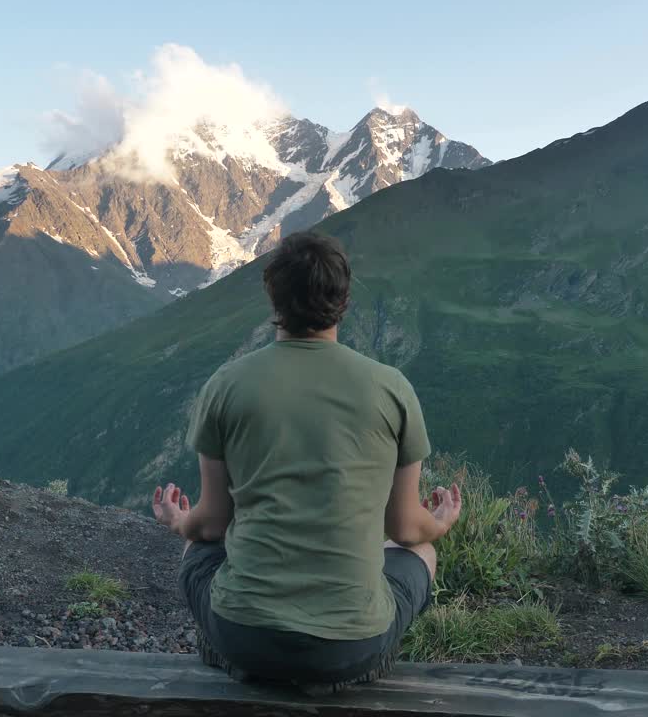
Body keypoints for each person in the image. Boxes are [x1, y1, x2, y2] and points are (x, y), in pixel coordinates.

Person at [150, 230, 463, 693]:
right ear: (344, 298)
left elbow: (212, 526)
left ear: (273, 295)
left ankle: (236, 660)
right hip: (351, 646)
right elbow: (405, 530)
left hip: (244, 637)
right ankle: (362, 665)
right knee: (422, 553)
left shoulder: (226, 384)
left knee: (196, 552)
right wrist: (440, 521)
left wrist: (179, 521)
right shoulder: (391, 388)